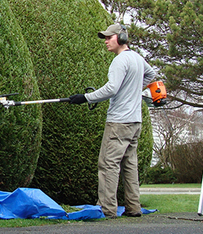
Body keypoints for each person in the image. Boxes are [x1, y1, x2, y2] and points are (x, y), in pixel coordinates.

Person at [69, 24, 155, 219]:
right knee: (129, 164)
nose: (106, 41)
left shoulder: (120, 60)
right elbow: (151, 75)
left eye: (109, 37)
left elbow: (112, 88)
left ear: (122, 38)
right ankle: (134, 208)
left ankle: (107, 209)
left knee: (108, 164)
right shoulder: (137, 58)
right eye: (105, 38)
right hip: (135, 122)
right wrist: (133, 89)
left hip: (119, 122)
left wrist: (86, 97)